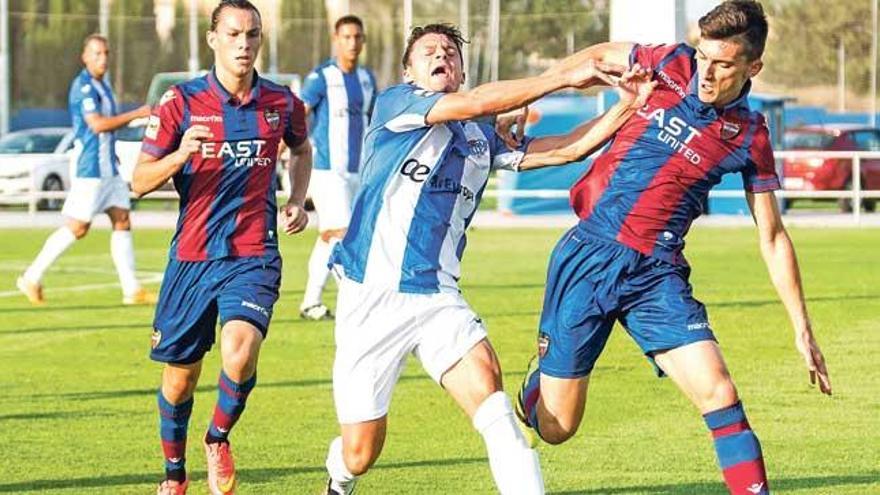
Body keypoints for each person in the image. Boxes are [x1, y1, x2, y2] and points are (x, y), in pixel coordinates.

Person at [322, 22, 655, 495]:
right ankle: (339, 475)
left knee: (498, 412)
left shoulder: (481, 135)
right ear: (409, 70)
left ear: (461, 69)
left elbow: (570, 148)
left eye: (451, 53)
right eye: (430, 51)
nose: (442, 56)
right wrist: (562, 77)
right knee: (361, 452)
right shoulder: (397, 104)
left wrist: (628, 104)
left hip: (438, 299)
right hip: (371, 297)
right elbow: (479, 102)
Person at [515, 2, 832, 494]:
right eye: (704, 57)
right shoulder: (669, 63)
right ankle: (538, 387)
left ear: (753, 67)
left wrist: (802, 329)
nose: (706, 72)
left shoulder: (750, 136)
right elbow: (599, 55)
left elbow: (771, 236)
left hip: (656, 275)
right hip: (589, 256)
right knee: (557, 429)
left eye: (723, 64)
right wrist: (533, 90)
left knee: (719, 390)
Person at [132, 1, 311, 493]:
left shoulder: (280, 101)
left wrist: (296, 198)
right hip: (192, 258)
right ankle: (174, 473)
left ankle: (217, 438)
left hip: (253, 252)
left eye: (252, 34)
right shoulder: (179, 102)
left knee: (239, 353)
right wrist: (180, 156)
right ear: (213, 39)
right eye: (233, 34)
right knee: (179, 381)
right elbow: (139, 180)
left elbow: (301, 146)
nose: (244, 44)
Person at [17, 34, 153, 305]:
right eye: (97, 54)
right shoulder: (83, 87)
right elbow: (98, 125)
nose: (102, 59)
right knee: (78, 227)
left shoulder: (104, 86)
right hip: (90, 168)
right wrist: (136, 114)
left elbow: (109, 129)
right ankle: (31, 277)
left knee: (122, 219)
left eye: (105, 53)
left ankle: (132, 290)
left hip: (108, 168)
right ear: (85, 57)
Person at [297, 14, 377, 321]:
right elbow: (299, 115)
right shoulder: (321, 77)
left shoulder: (368, 79)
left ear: (363, 40)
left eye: (357, 37)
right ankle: (356, 304)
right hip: (328, 169)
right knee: (342, 233)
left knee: (330, 236)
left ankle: (310, 302)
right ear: (336, 39)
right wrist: (284, 147)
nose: (352, 43)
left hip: (359, 170)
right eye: (346, 37)